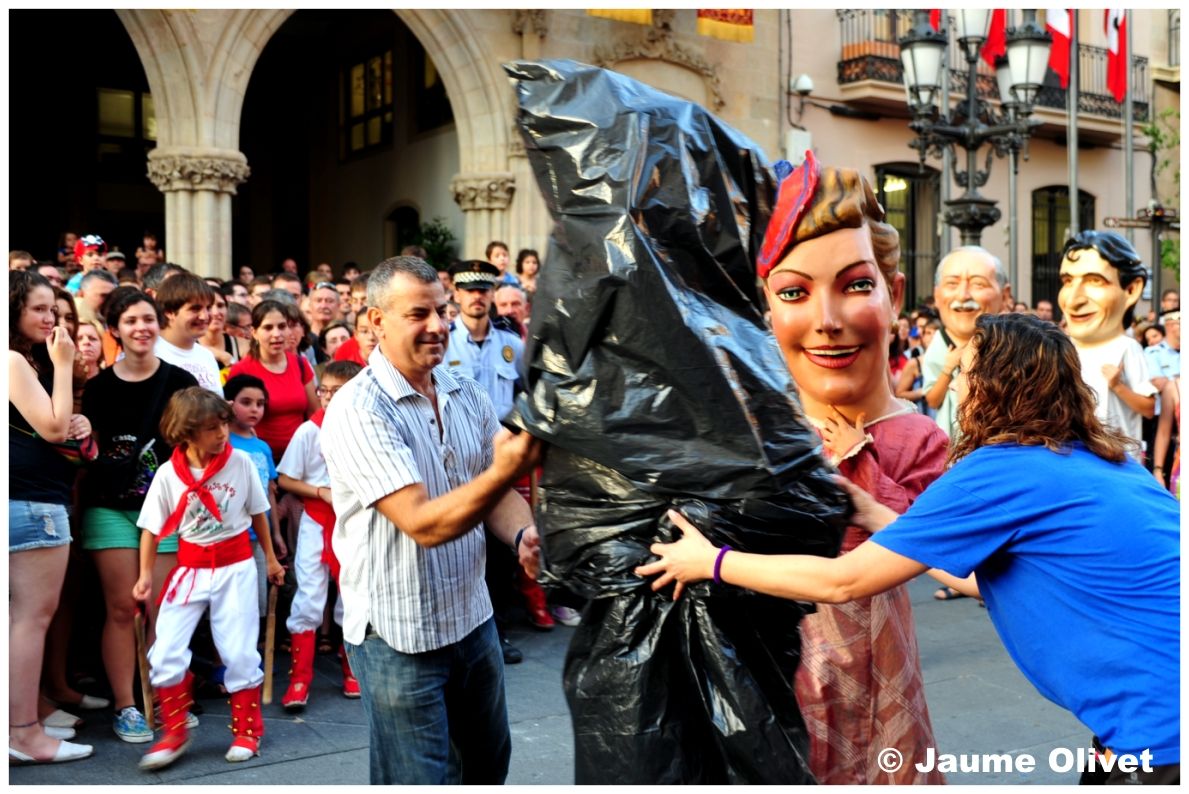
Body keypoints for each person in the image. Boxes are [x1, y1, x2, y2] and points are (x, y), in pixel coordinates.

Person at [639, 312, 1180, 785]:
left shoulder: (1001, 471)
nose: (955, 384)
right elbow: (993, 581)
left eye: (963, 371)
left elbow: (844, 581)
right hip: (1144, 722)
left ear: (995, 386)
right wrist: (875, 513)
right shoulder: (1104, 461)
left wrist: (710, 561)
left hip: (1161, 735)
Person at [749, 155, 946, 783]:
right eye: (794, 292)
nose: (828, 321)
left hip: (876, 676)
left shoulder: (917, 437)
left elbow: (947, 552)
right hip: (776, 672)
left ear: (893, 294)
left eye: (857, 284)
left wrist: (867, 474)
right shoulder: (754, 433)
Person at [320, 256, 541, 784]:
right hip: (399, 635)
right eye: (418, 314)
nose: (439, 325)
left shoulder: (463, 391)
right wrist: (507, 467)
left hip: (472, 617)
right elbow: (421, 521)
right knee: (419, 780)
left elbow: (497, 489)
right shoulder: (357, 409)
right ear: (374, 321)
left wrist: (524, 533)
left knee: (486, 769)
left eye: (440, 311)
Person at [132, 387, 285, 770]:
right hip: (190, 569)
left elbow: (257, 513)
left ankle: (248, 730)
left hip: (235, 567)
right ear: (185, 432)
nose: (221, 434)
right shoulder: (169, 473)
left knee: (237, 651)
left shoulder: (242, 462)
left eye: (222, 425)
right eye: (211, 428)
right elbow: (151, 528)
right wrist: (144, 576)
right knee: (165, 650)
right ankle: (175, 731)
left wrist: (269, 559)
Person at [80, 288, 200, 743]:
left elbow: (197, 443)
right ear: (115, 330)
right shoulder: (97, 388)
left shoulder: (180, 380)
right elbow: (85, 449)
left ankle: (165, 697)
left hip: (167, 511)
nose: (141, 328)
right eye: (130, 321)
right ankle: (127, 705)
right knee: (120, 608)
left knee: (160, 610)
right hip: (110, 507)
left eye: (148, 319)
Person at [8, 270, 95, 765]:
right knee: (30, 621)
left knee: (17, 621)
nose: (50, 319)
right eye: (40, 308)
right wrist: (64, 365)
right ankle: (24, 734)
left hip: (23, 499)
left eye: (55, 311)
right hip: (32, 504)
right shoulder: (15, 359)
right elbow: (55, 428)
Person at [445, 259, 542, 650]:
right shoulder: (444, 341)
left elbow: (528, 394)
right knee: (463, 542)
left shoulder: (511, 344)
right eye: (469, 290)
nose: (477, 297)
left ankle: (496, 632)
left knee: (501, 550)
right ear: (456, 294)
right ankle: (461, 630)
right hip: (458, 453)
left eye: (484, 289)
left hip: (501, 453)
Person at [277, 360, 364, 711]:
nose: (327, 398)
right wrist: (320, 493)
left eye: (337, 392)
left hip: (357, 521)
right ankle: (300, 678)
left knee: (355, 593)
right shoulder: (308, 432)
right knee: (310, 593)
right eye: (323, 391)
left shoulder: (367, 428)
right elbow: (286, 479)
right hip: (317, 519)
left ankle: (353, 669)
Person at [1057, 230, 1156, 451]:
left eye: (1094, 281)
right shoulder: (1062, 348)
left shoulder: (1127, 348)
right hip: (1073, 457)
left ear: (1131, 289)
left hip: (1118, 458)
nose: (1073, 301)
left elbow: (1149, 408)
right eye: (1068, 281)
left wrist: (1118, 386)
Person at [921, 245, 1012, 437]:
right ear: (937, 295)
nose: (963, 296)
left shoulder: (1010, 346)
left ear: (1004, 295)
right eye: (952, 284)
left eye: (978, 284)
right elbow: (932, 400)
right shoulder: (939, 346)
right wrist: (948, 369)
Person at [224, 374, 286, 617]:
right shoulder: (223, 441)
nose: (254, 409)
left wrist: (276, 534)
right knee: (229, 605)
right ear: (229, 404)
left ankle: (254, 649)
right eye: (246, 402)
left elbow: (269, 492)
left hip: (259, 536)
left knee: (255, 600)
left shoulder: (263, 447)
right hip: (231, 534)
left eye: (260, 404)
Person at [227, 299, 318, 462]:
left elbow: (314, 412)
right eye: (268, 328)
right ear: (254, 332)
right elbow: (231, 420)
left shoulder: (300, 364)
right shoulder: (242, 369)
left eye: (282, 326)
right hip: (259, 459)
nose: (276, 334)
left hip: (300, 459)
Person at [154, 272, 223, 393]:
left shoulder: (206, 356)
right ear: (169, 312)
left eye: (208, 308)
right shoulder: (150, 355)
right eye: (195, 309)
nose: (204, 316)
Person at [198, 288, 239, 369]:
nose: (216, 312)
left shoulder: (242, 346)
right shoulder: (184, 347)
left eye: (220, 305)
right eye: (209, 307)